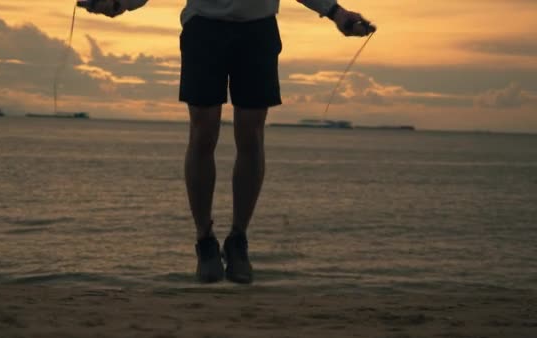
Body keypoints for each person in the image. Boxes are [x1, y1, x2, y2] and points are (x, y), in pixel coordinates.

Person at [82, 0, 374, 284]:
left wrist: (336, 12)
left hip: (258, 31)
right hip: (204, 30)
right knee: (203, 133)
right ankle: (205, 241)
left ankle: (238, 241)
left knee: (251, 135)